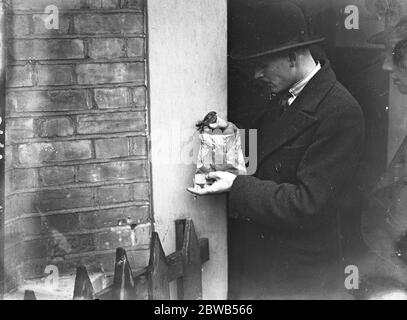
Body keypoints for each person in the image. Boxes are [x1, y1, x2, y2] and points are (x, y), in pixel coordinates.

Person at [188, 1, 365, 299]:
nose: (256, 75)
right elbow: (270, 163)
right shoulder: (284, 96)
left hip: (301, 281)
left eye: (261, 64)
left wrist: (237, 185)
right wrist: (232, 141)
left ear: (292, 57)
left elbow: (307, 204)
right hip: (266, 270)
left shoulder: (340, 112)